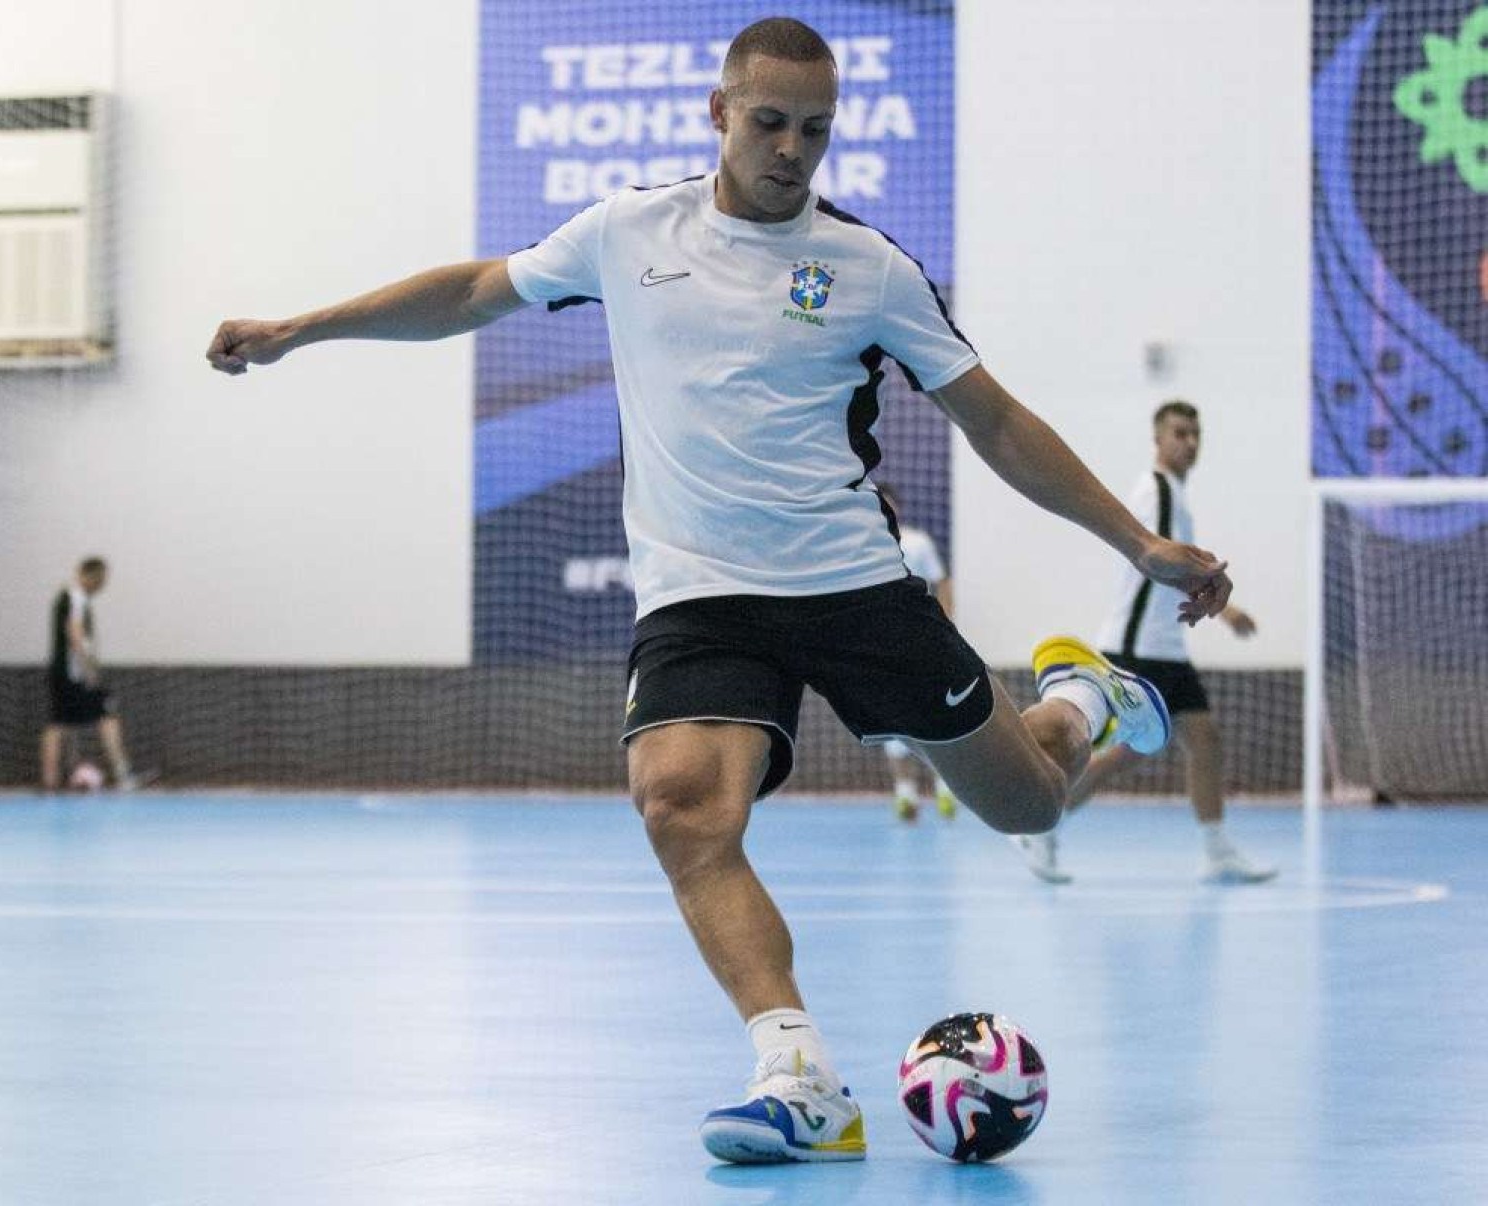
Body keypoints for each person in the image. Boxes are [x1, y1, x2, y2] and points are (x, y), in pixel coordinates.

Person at [207, 17, 1232, 1166]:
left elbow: (994, 420)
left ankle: (1081, 698)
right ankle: (798, 1075)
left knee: (1030, 805)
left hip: (851, 583)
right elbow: (471, 293)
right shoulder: (627, 232)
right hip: (699, 594)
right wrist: (304, 328)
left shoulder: (871, 269)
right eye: (770, 123)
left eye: (816, 130)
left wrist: (1140, 544)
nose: (793, 150)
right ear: (718, 112)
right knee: (680, 803)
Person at [1012, 402, 1275, 885]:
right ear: (1158, 438)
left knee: (1203, 740)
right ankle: (1041, 825)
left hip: (1168, 648)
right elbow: (1156, 560)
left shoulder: (1175, 494)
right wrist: (1220, 605)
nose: (1189, 442)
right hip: (1138, 648)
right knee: (1119, 754)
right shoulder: (1157, 491)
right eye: (1179, 432)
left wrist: (1221, 606)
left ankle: (1217, 851)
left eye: (1196, 433)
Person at [873, 480, 958, 822]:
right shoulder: (863, 544)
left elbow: (943, 581)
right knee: (894, 724)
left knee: (937, 717)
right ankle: (905, 794)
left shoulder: (918, 542)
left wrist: (946, 626)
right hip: (881, 649)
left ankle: (945, 790)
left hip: (922, 643)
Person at [38, 556, 148, 792]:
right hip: (74, 674)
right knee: (104, 716)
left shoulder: (65, 597)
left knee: (58, 723)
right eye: (101, 580)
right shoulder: (75, 597)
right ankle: (123, 775)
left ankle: (50, 782)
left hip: (62, 672)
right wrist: (89, 670)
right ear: (90, 577)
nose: (102, 586)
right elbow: (75, 635)